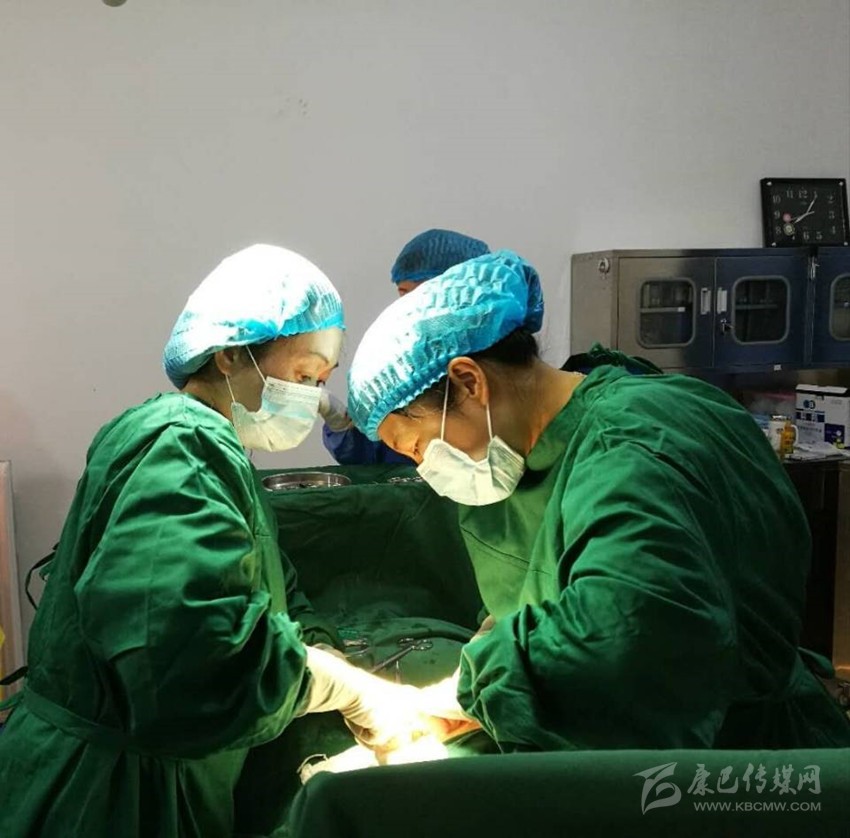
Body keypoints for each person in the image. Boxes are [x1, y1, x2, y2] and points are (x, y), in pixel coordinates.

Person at [0, 244, 430, 838]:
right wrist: (338, 687)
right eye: (303, 375)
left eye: (321, 382)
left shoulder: (211, 447)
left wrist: (327, 658)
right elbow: (187, 666)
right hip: (106, 798)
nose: (313, 399)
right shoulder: (182, 448)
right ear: (229, 354)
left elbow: (275, 593)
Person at [346, 248, 850, 752]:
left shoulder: (632, 446)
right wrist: (485, 693)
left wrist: (471, 690)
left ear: (470, 381)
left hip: (731, 766)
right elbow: (544, 600)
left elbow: (627, 633)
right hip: (630, 751)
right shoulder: (522, 461)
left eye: (416, 447)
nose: (425, 468)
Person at [321, 228, 489, 466]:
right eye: (405, 295)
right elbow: (375, 455)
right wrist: (342, 425)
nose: (412, 307)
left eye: (424, 293)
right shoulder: (406, 368)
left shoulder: (497, 363)